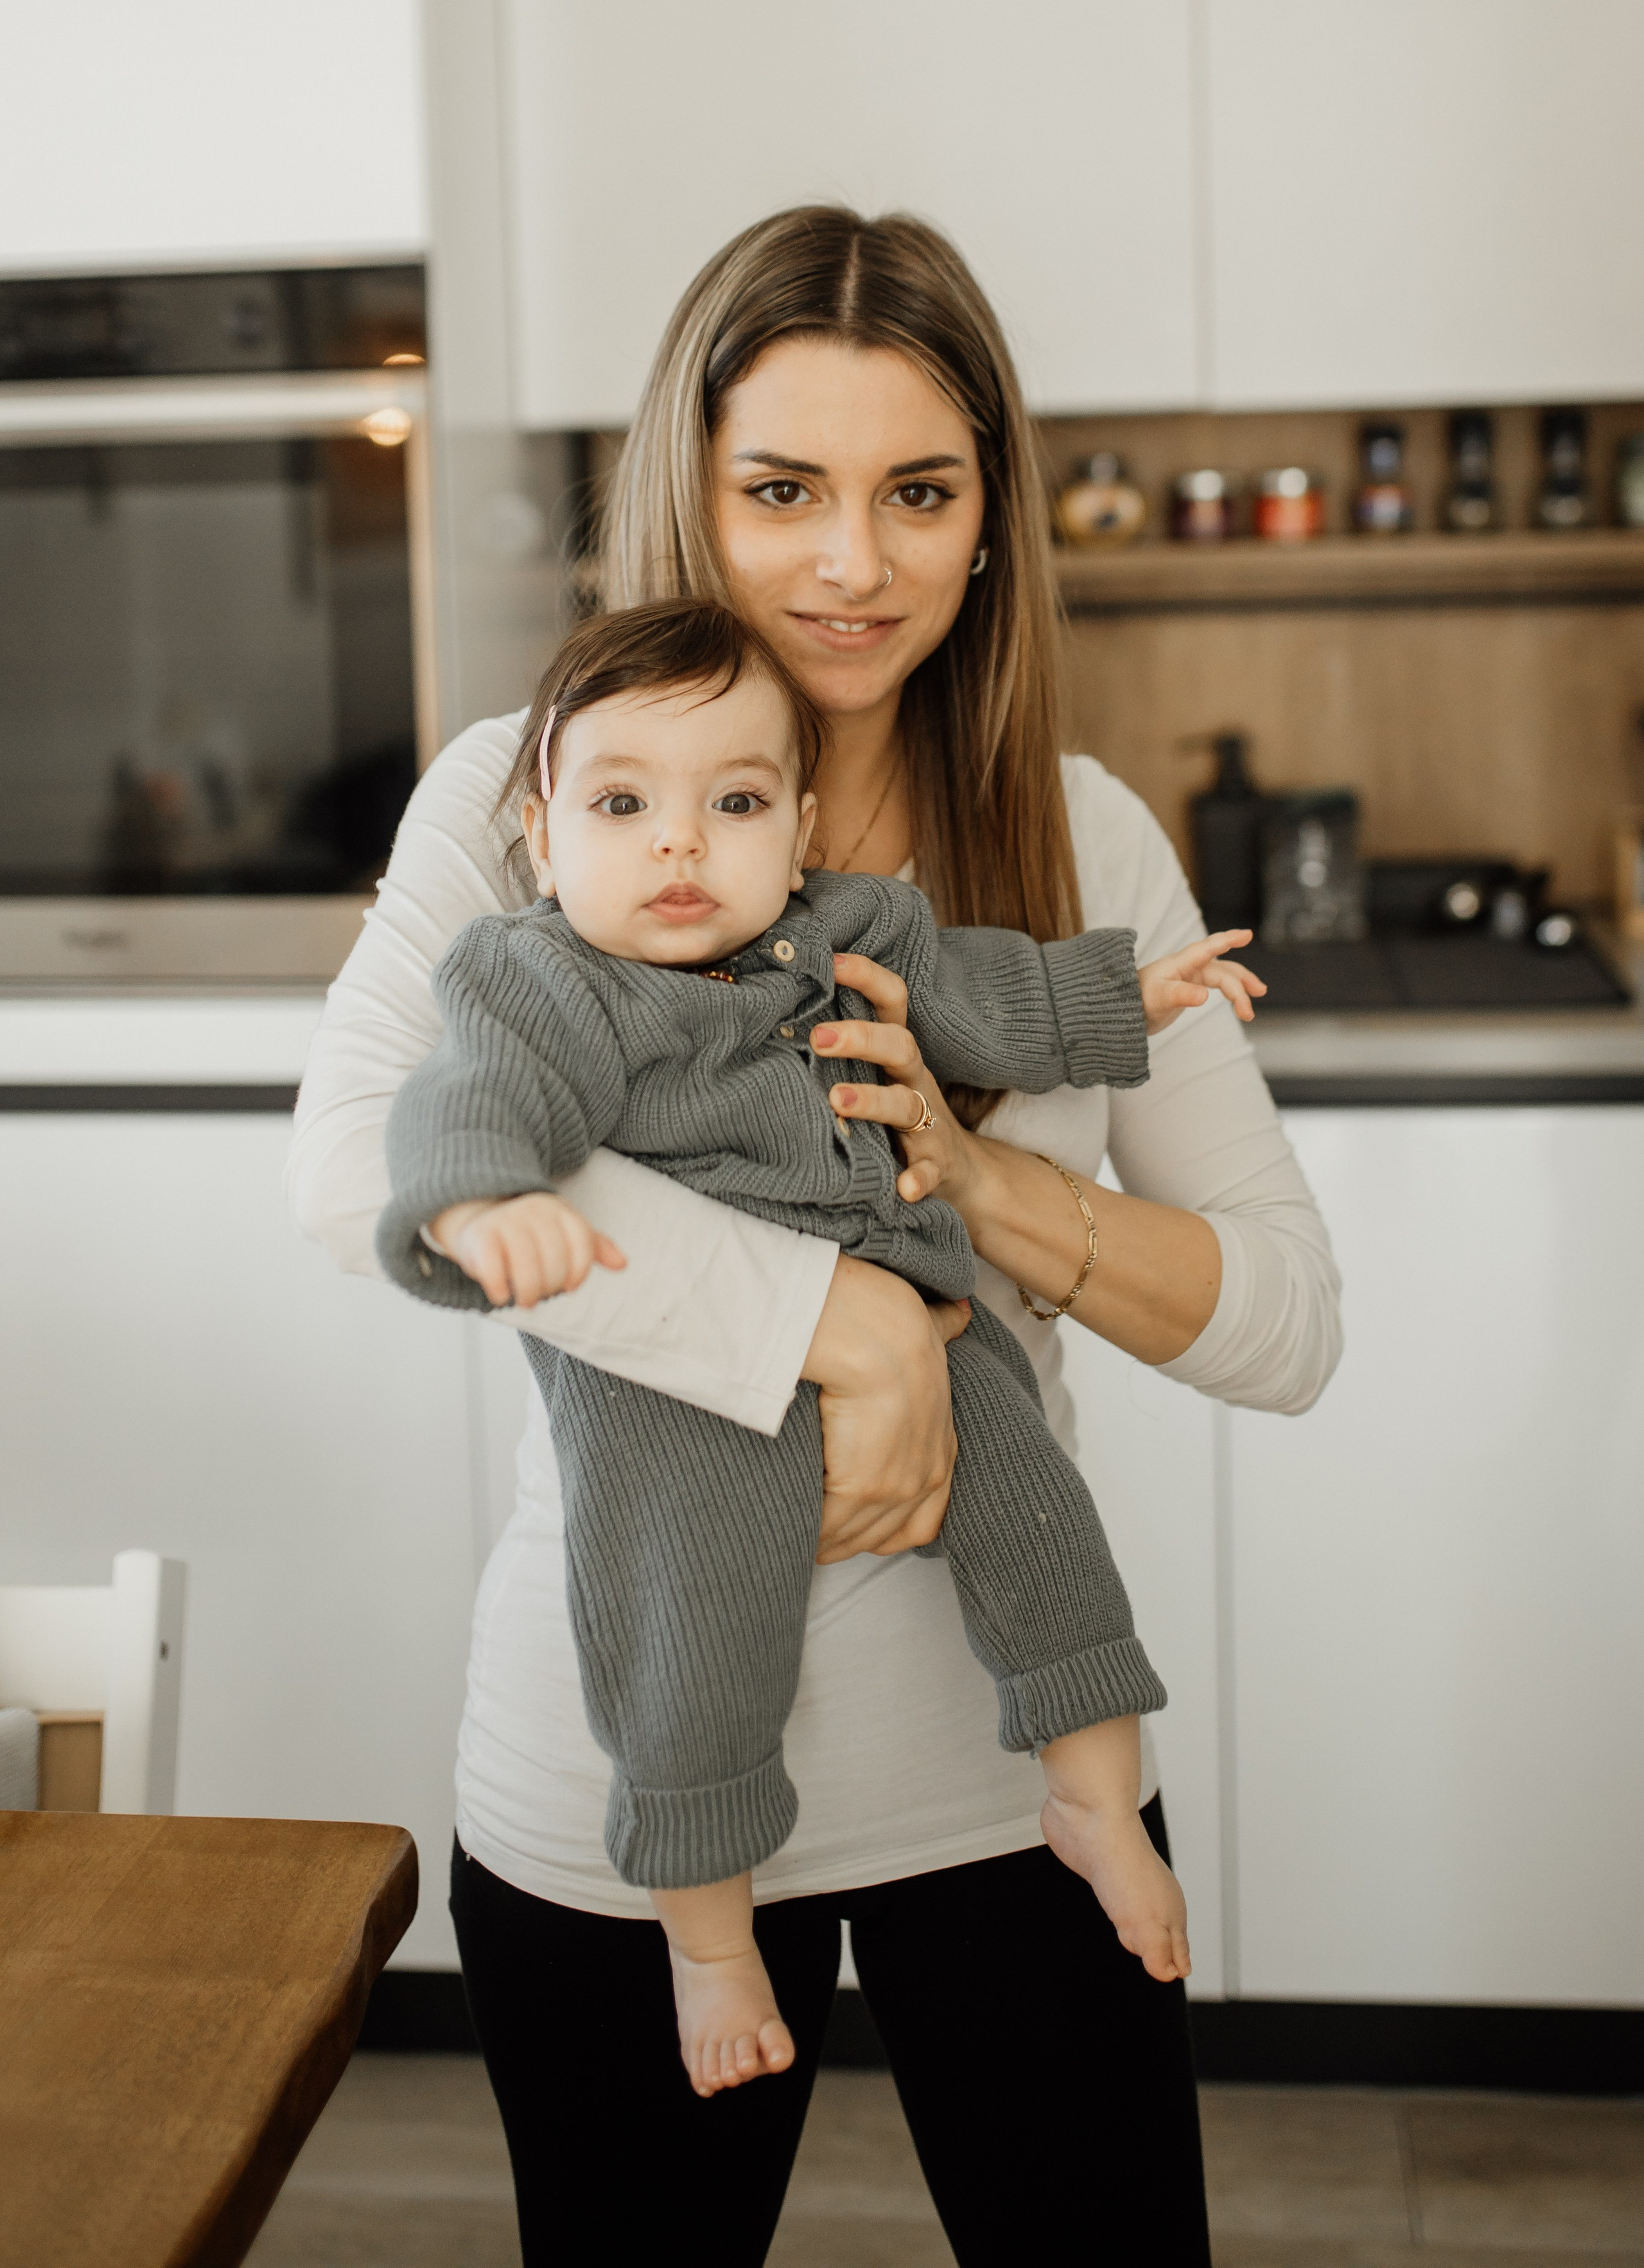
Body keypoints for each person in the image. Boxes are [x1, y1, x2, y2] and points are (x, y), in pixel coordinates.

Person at [289, 206, 1342, 2267]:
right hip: (623, 1781)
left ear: (986, 522)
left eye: (917, 493)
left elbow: (1284, 1325)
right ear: (690, 490)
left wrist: (982, 1185)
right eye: (784, 490)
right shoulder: (523, 799)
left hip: (1006, 1772)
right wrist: (833, 1320)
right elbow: (363, 1171)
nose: (853, 564)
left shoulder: (1080, 828)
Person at [374, 597, 1268, 2100]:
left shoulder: (847, 930)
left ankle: (1094, 1797)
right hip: (681, 1405)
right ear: (541, 834)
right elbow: (462, 1104)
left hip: (927, 1313)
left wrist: (1129, 995)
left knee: (1045, 1528)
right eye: (621, 804)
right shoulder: (539, 980)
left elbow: (990, 998)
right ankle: (709, 1942)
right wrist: (479, 1205)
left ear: (795, 835)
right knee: (692, 1651)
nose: (677, 845)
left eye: (730, 805)